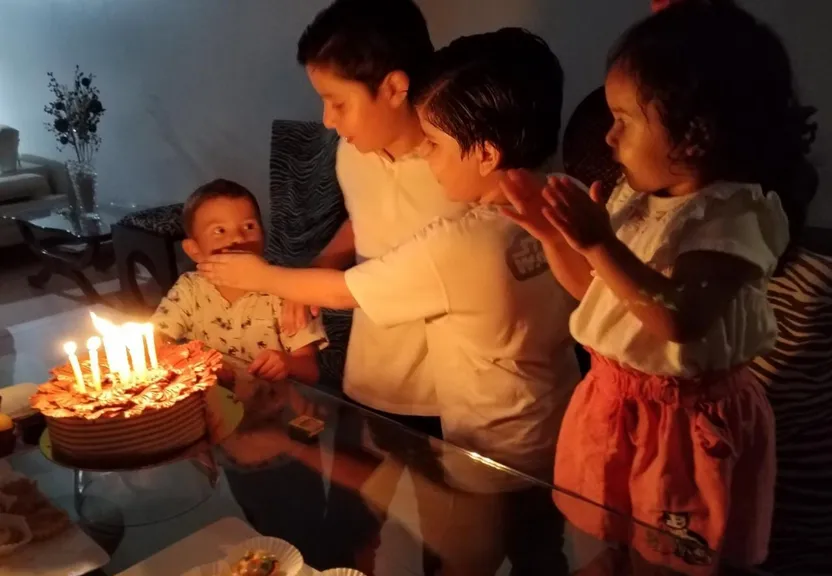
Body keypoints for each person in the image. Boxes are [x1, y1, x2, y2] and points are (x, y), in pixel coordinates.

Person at [200, 27, 578, 575]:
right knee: (535, 548)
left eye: (438, 146)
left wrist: (260, 274)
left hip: (486, 446)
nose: (429, 155)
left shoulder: (466, 239)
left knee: (467, 555)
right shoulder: (559, 197)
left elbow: (345, 292)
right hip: (553, 428)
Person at [502, 1, 816, 573]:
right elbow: (598, 298)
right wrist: (551, 235)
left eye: (624, 117)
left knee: (666, 562)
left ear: (694, 136)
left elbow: (679, 320)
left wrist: (600, 243)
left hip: (682, 430)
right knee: (598, 547)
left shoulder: (731, 216)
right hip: (614, 405)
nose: (609, 134)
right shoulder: (637, 196)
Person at [291, 0, 468, 439]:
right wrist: (327, 259)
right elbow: (367, 216)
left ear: (393, 88)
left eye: (337, 103)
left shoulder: (465, 164)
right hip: (369, 379)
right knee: (360, 502)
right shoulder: (354, 153)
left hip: (447, 399)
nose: (328, 121)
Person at [150, 178, 328, 385]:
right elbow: (155, 339)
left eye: (249, 226)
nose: (237, 238)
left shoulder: (286, 290)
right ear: (194, 250)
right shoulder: (189, 289)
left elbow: (310, 371)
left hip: (272, 408)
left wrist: (287, 363)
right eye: (220, 230)